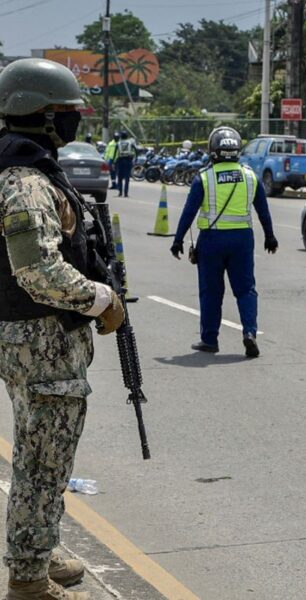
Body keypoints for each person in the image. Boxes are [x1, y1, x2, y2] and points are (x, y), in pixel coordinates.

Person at [0, 57, 125, 600]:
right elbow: (36, 269)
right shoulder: (26, 181)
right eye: (69, 112)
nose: (75, 120)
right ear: (43, 116)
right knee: (42, 461)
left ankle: (39, 545)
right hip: (40, 341)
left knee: (41, 451)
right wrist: (102, 300)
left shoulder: (23, 169)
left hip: (29, 339)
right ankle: (28, 579)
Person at [170, 126, 278, 358]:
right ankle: (249, 332)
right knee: (246, 289)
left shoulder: (204, 178)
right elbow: (263, 211)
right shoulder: (251, 177)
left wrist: (178, 240)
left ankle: (210, 340)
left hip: (212, 241)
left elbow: (189, 212)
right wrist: (270, 236)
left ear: (212, 150)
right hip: (242, 240)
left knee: (211, 292)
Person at [115, 131, 135, 198]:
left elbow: (115, 154)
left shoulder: (118, 143)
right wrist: (135, 158)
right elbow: (136, 150)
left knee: (120, 177)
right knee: (127, 178)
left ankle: (120, 192)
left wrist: (114, 162)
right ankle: (126, 193)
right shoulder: (130, 143)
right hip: (128, 160)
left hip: (120, 160)